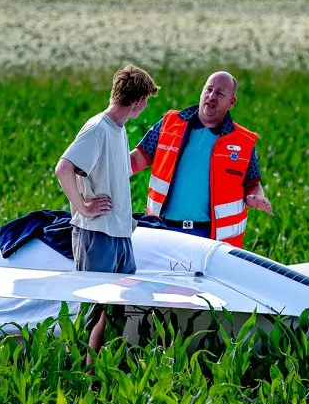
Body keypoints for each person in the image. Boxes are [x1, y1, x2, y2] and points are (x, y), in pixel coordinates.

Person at [55, 64, 158, 368]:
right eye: (146, 101)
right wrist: (83, 207)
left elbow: (118, 171)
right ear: (138, 101)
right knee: (91, 309)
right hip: (96, 233)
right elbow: (63, 169)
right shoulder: (97, 128)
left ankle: (97, 370)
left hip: (120, 233)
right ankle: (78, 373)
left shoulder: (119, 130)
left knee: (115, 310)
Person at [129, 71, 272, 249]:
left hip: (210, 239)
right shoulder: (169, 123)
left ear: (231, 102)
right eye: (209, 90)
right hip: (163, 231)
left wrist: (256, 198)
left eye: (220, 93)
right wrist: (105, 169)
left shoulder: (243, 141)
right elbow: (135, 160)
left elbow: (252, 183)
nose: (211, 96)